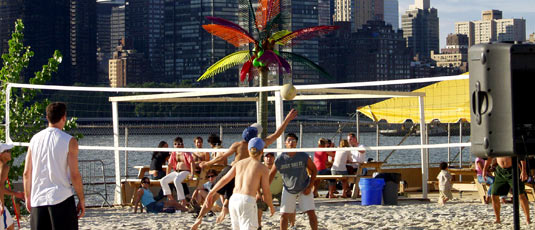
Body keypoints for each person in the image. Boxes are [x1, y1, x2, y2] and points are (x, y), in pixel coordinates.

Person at [191, 109, 297, 230]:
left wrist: (208, 163)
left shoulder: (238, 144)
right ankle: (230, 212)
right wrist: (287, 119)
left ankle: (200, 218)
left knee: (214, 195)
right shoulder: (259, 145)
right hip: (248, 175)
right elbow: (277, 134)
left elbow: (222, 157)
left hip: (233, 170)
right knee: (251, 192)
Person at [23, 102, 85, 229]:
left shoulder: (34, 139)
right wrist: (82, 199)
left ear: (47, 117)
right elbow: (74, 175)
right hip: (61, 198)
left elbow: (26, 173)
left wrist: (27, 197)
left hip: (38, 199)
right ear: (64, 117)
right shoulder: (69, 141)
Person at [204, 138, 275, 230]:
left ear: (248, 150)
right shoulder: (262, 168)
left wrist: (211, 192)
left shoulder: (239, 163)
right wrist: (271, 206)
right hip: (247, 200)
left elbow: (224, 179)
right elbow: (266, 191)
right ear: (262, 151)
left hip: (234, 200)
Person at [270, 133, 318, 230]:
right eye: (289, 141)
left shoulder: (303, 155)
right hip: (288, 188)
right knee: (284, 215)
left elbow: (314, 170)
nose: (291, 142)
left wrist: (310, 187)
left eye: (293, 141)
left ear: (296, 143)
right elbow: (270, 175)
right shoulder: (280, 158)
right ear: (285, 143)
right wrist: (264, 190)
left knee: (311, 213)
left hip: (304, 187)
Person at [483, 157, 531, 224]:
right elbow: (489, 157)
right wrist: (484, 170)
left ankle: (527, 219)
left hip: (513, 169)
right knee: (494, 194)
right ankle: (497, 219)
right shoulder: (496, 146)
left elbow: (521, 156)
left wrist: (523, 170)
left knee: (520, 194)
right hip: (500, 171)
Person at [160, 136, 194, 206]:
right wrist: (167, 175)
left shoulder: (186, 152)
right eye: (176, 144)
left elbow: (192, 163)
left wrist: (192, 174)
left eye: (179, 144)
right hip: (176, 172)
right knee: (163, 180)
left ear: (182, 144)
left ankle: (183, 200)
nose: (177, 145)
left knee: (176, 180)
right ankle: (171, 199)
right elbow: (169, 165)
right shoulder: (174, 153)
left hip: (186, 171)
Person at [0, 143, 25, 230]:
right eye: (8, 151)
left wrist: (15, 194)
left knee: (10, 226)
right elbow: (0, 187)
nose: (10, 153)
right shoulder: (4, 166)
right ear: (1, 154)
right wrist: (1, 204)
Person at [257, 152, 284, 230]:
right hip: (266, 192)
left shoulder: (279, 167)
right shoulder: (260, 168)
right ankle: (259, 225)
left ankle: (292, 225)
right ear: (264, 158)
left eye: (271, 157)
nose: (269, 159)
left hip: (279, 191)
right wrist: (259, 193)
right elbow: (256, 183)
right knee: (259, 204)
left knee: (290, 204)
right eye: (267, 157)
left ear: (274, 158)